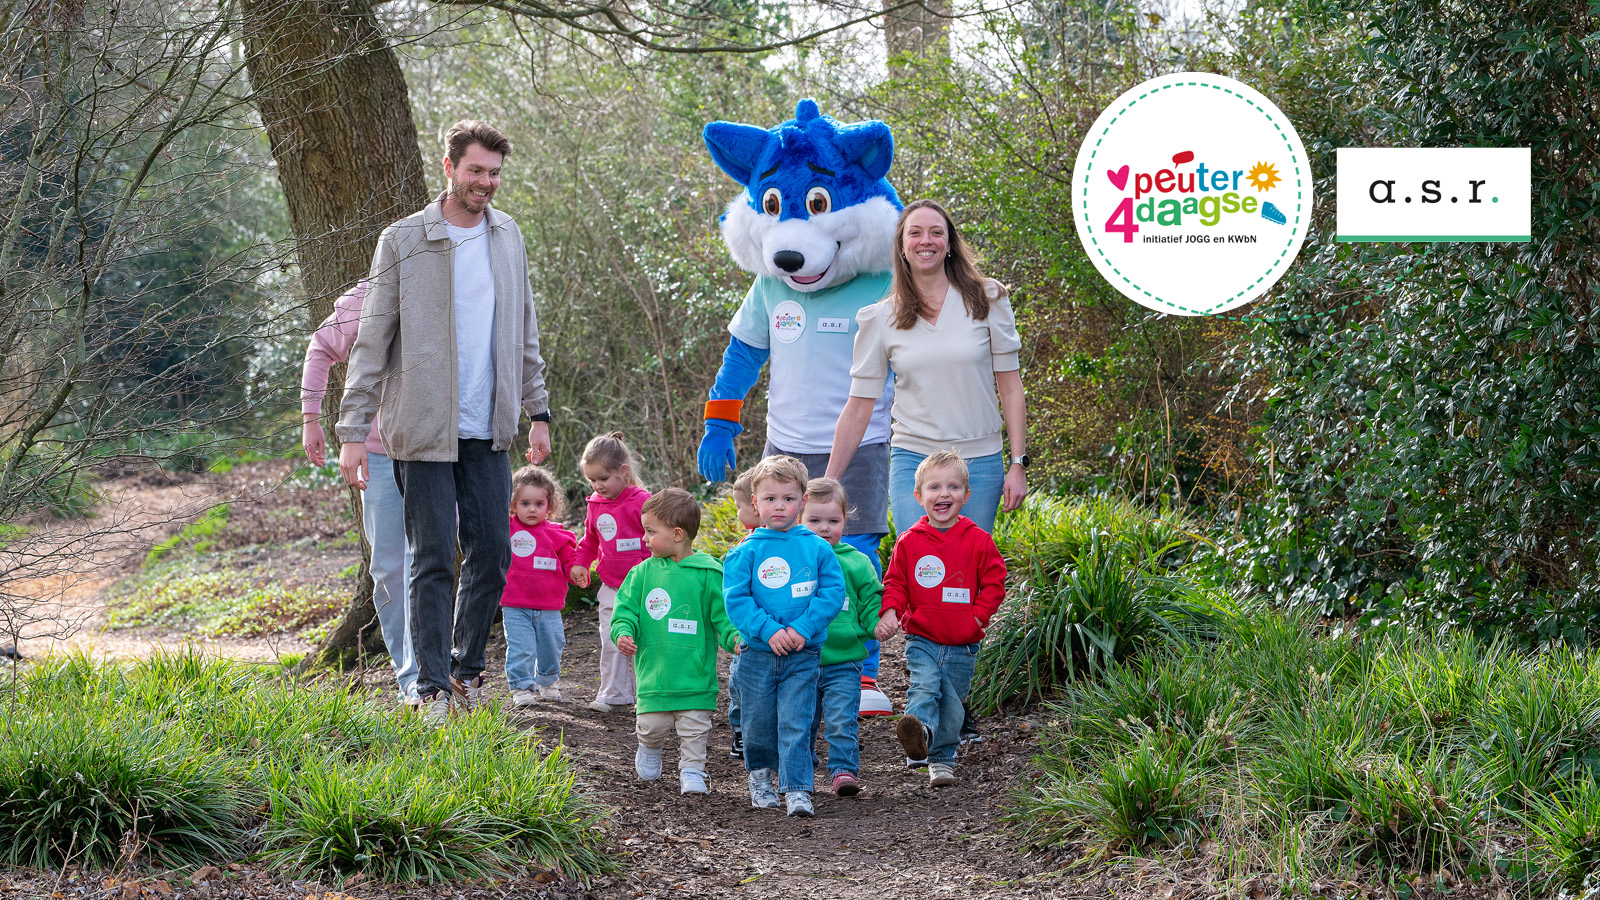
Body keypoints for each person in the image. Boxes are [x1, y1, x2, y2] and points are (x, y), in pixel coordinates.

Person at [337, 119, 551, 725]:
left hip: (491, 424)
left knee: (493, 552)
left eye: (494, 173)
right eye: (476, 170)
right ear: (450, 167)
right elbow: (372, 340)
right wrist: (354, 431)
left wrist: (538, 410)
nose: (485, 182)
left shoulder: (508, 236)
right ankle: (428, 688)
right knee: (430, 555)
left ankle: (464, 669)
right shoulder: (403, 240)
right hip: (421, 426)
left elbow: (524, 331)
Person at [826, 198, 1030, 534]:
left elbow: (1010, 386)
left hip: (979, 462)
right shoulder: (880, 318)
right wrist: (829, 481)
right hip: (914, 462)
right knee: (922, 569)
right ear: (902, 246)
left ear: (949, 244)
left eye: (936, 233)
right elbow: (860, 406)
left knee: (969, 575)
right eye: (915, 233)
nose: (926, 241)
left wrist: (1018, 463)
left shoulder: (988, 299)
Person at [302, 280, 417, 704]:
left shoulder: (453, 283)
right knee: (390, 566)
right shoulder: (366, 297)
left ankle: (446, 671)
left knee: (439, 558)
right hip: (379, 454)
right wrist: (311, 416)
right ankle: (411, 677)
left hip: (442, 450)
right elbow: (320, 349)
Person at [722, 455, 845, 818]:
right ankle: (760, 775)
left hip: (802, 655)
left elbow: (831, 594)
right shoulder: (744, 551)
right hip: (757, 655)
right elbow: (736, 600)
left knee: (797, 721)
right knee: (757, 724)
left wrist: (800, 629)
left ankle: (797, 788)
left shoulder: (818, 548)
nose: (779, 506)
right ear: (755, 502)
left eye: (788, 498)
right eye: (770, 498)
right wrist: (769, 630)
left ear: (803, 501)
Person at [875, 451, 1007, 787]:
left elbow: (995, 581)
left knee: (952, 705)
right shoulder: (910, 541)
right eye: (934, 487)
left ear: (967, 495)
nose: (944, 494)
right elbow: (896, 582)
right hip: (923, 637)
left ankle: (940, 757)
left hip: (963, 642)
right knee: (924, 685)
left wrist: (978, 618)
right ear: (918, 497)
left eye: (953, 487)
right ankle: (917, 733)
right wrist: (891, 611)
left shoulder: (979, 541)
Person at [611, 489, 740, 796]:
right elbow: (624, 609)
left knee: (695, 729)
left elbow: (723, 617)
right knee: (651, 726)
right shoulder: (642, 573)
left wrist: (734, 637)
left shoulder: (708, 573)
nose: (644, 538)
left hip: (694, 673)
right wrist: (623, 631)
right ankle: (650, 748)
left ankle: (693, 770)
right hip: (655, 673)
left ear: (678, 534)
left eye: (650, 531)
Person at [800, 477, 881, 798]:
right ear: (799, 519)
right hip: (801, 659)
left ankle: (843, 770)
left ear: (845, 521)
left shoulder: (856, 562)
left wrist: (877, 624)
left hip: (844, 660)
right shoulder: (797, 561)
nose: (824, 528)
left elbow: (872, 599)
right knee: (802, 720)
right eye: (814, 520)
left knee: (841, 720)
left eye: (833, 521)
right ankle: (801, 767)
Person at [570, 432, 650, 713]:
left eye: (603, 479)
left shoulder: (643, 502)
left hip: (645, 587)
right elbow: (590, 540)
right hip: (612, 588)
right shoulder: (595, 504)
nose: (597, 486)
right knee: (611, 639)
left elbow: (659, 537)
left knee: (644, 641)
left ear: (623, 471)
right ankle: (614, 694)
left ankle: (649, 697)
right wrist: (580, 563)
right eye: (591, 480)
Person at [501, 465, 577, 707]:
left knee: (552, 645)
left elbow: (570, 561)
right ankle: (521, 686)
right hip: (514, 604)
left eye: (538, 504)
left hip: (549, 606)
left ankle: (547, 680)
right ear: (513, 504)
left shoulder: (557, 535)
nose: (531, 509)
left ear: (549, 506)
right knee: (521, 648)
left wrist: (578, 572)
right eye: (525, 503)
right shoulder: (506, 529)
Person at [725, 467, 761, 759]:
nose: (737, 513)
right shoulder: (744, 546)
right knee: (739, 686)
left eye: (739, 507)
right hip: (747, 633)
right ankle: (740, 731)